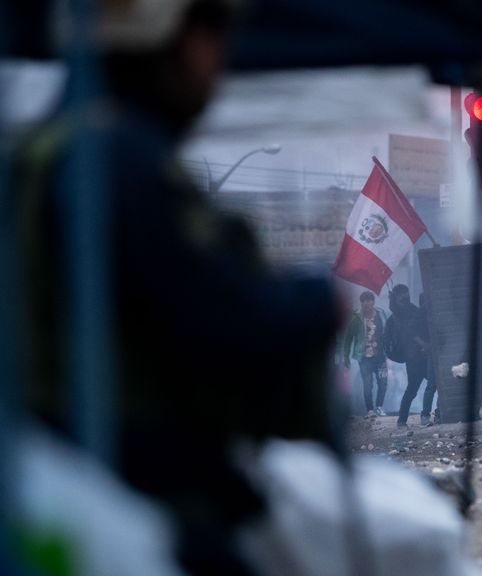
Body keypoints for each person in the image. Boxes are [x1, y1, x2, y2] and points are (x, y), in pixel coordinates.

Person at [13, 1, 347, 572]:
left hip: (66, 486)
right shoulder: (118, 159)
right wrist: (316, 303)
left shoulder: (43, 153)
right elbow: (228, 326)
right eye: (209, 29)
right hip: (133, 493)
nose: (218, 58)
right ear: (161, 36)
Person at [385, 284, 433, 427]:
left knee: (427, 385)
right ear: (396, 298)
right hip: (412, 358)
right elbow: (407, 336)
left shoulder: (413, 311)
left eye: (407, 297)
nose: (406, 301)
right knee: (418, 387)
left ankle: (404, 419)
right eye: (402, 299)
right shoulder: (394, 319)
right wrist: (423, 345)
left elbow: (423, 328)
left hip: (421, 355)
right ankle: (408, 419)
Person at [341, 291, 389, 416]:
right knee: (368, 384)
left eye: (369, 300)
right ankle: (370, 410)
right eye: (364, 301)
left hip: (380, 356)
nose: (367, 303)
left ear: (373, 302)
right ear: (361, 303)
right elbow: (348, 338)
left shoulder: (381, 314)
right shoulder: (356, 317)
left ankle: (379, 407)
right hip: (364, 358)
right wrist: (345, 356)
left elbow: (388, 328)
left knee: (383, 383)